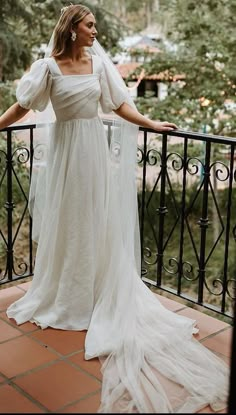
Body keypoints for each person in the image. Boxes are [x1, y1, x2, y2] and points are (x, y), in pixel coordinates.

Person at [0, 3, 229, 413]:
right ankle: (68, 294)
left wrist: (152, 124)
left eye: (95, 26)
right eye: (90, 26)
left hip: (93, 155)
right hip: (67, 155)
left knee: (96, 223)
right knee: (69, 223)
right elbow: (23, 108)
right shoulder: (47, 68)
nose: (95, 32)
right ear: (71, 29)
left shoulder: (99, 65)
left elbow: (119, 106)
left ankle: (97, 290)